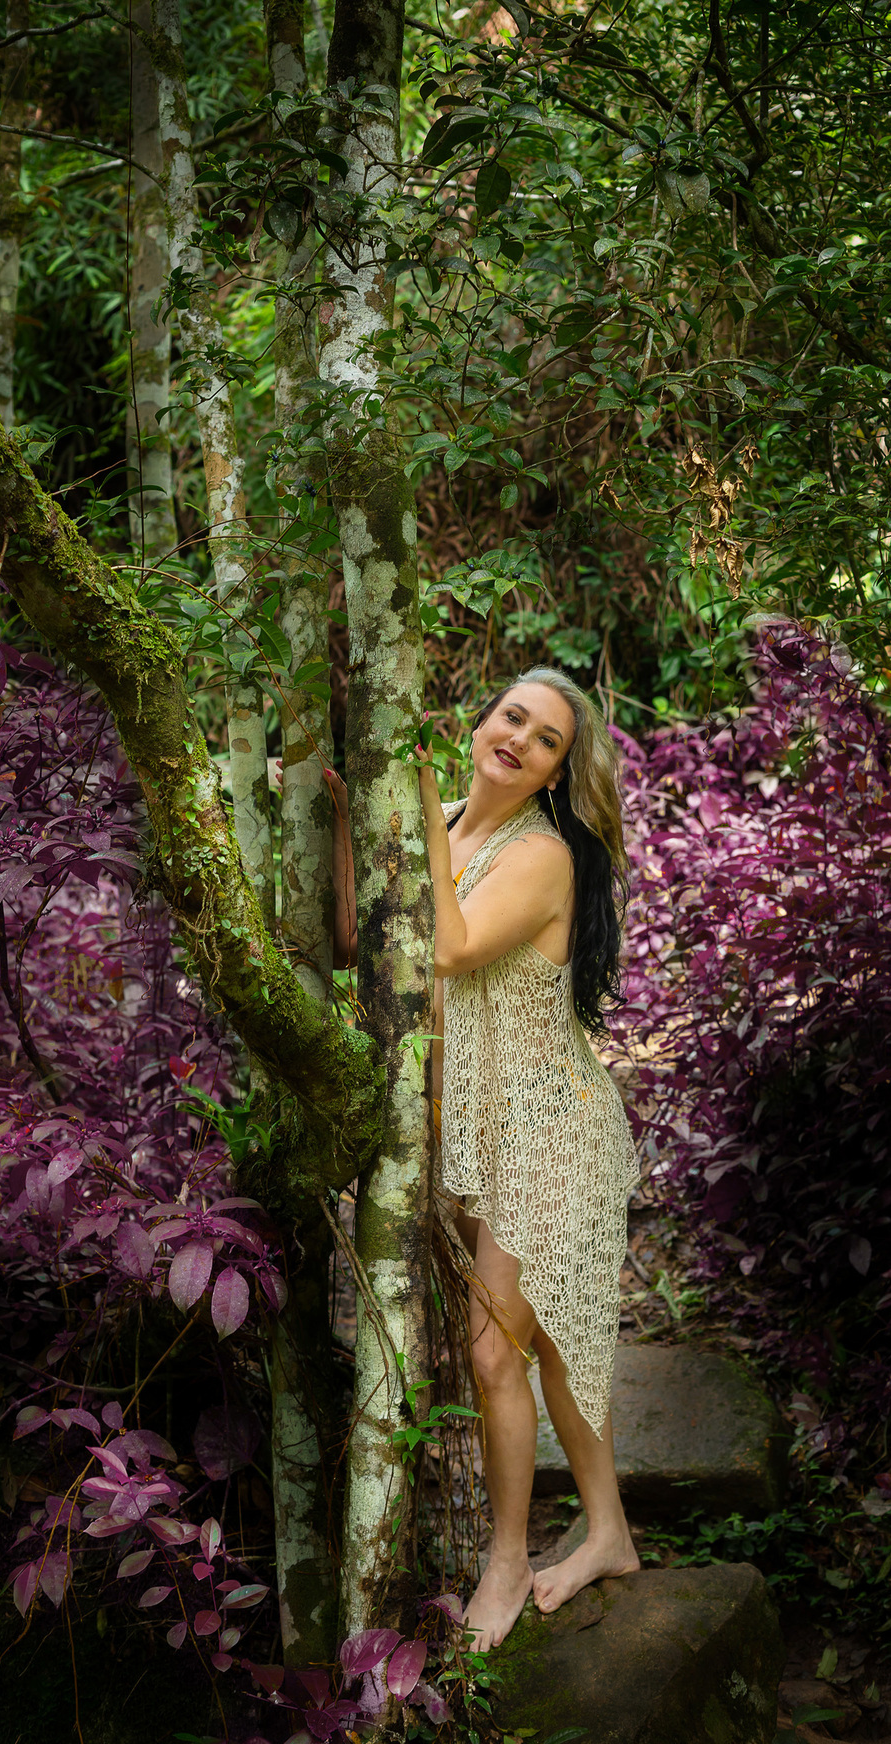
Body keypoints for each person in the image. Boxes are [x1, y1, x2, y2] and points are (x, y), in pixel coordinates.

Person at [313, 667, 640, 1651]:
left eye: (544, 740)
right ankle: (611, 1533)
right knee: (546, 1347)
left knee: (500, 1350)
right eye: (512, 717)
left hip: (551, 1132)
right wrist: (344, 825)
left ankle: (507, 1560)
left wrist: (404, 798)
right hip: (474, 1137)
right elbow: (351, 946)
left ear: (551, 774)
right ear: (483, 720)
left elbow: (445, 949)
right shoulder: (450, 817)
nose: (518, 740)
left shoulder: (540, 854)